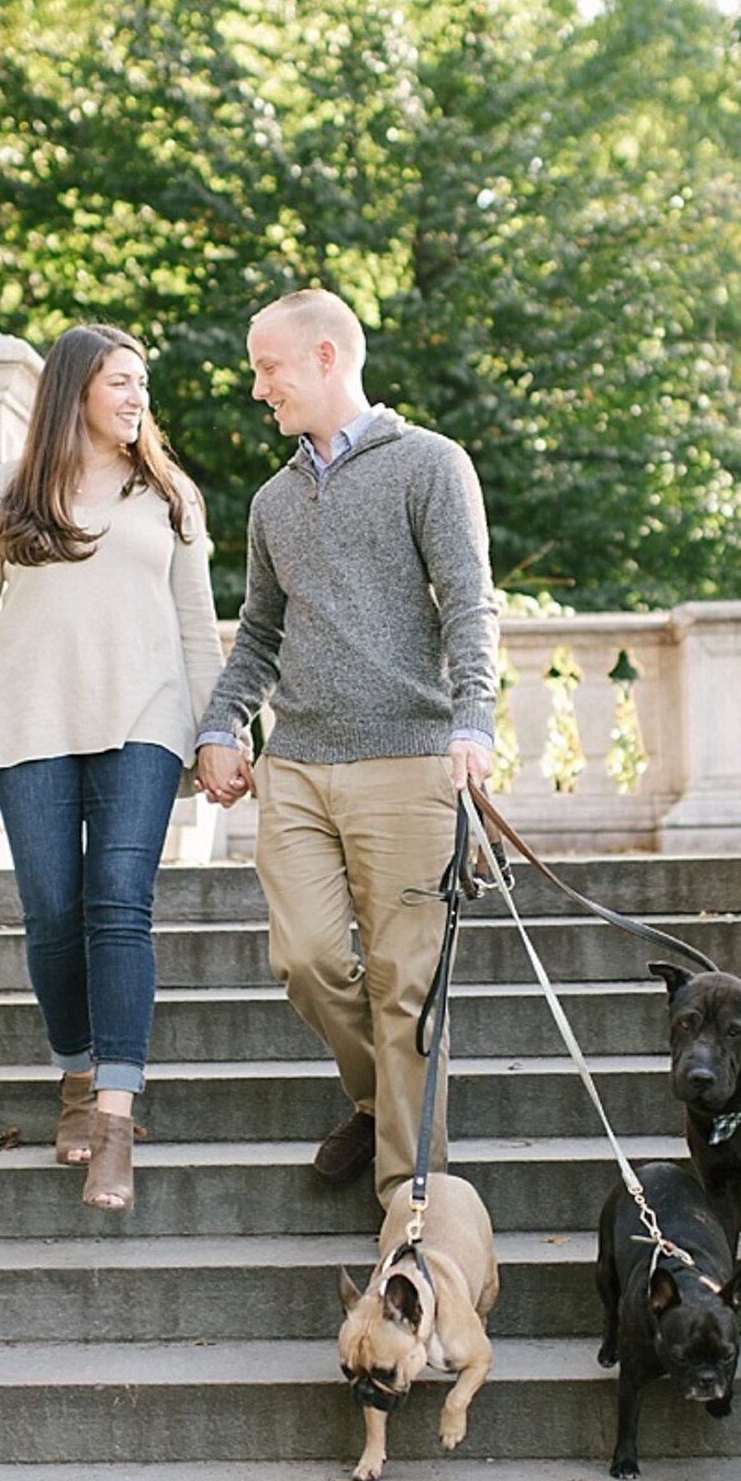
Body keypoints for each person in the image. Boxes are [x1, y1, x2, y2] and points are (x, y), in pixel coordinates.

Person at [195, 288, 500, 1207]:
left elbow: (471, 602)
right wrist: (223, 723)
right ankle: (382, 1101)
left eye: (268, 367)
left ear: (327, 357)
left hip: (408, 763)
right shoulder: (271, 504)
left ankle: (408, 1213)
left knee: (406, 986)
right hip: (298, 769)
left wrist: (473, 720)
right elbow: (257, 633)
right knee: (309, 962)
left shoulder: (431, 467)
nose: (259, 388)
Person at [0, 324, 224, 1212]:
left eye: (142, 385)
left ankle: (115, 1122)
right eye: (121, 383)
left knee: (118, 905)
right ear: (74, 392)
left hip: (144, 723)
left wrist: (219, 737)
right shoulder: (8, 492)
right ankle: (76, 1077)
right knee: (53, 915)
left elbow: (199, 635)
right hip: (30, 728)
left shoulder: (169, 494)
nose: (137, 399)